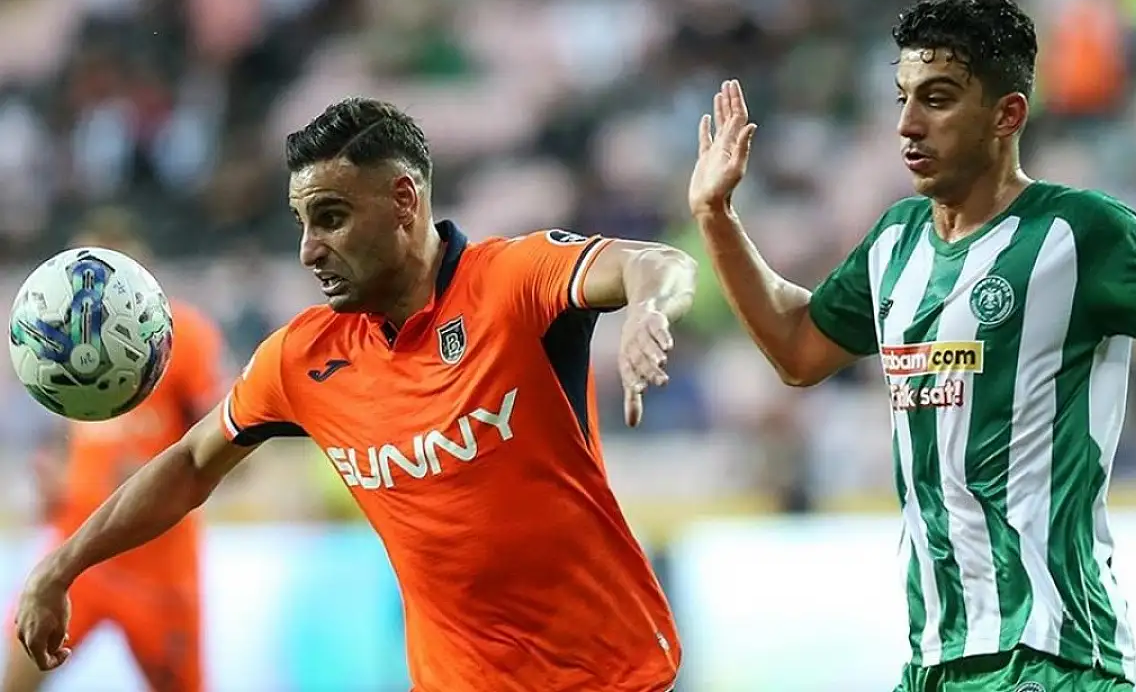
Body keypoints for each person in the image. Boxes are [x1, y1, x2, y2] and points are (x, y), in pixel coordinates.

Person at [687, 0, 1136, 692]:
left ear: (1008, 114)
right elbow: (798, 349)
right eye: (903, 97)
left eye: (936, 99)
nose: (907, 124)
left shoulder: (1081, 233)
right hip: (933, 661)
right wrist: (716, 215)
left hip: (1052, 655)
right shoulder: (895, 242)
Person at [14, 98, 693, 692]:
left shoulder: (511, 282)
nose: (309, 250)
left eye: (331, 218)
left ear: (403, 201)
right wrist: (60, 566)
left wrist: (648, 308)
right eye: (302, 223)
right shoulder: (303, 358)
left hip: (611, 676)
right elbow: (191, 463)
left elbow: (656, 262)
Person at [4, 210, 230, 692]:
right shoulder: (61, 338)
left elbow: (226, 443)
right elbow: (71, 433)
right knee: (17, 677)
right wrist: (54, 474)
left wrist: (155, 471)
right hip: (75, 550)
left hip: (157, 563)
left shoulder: (183, 337)